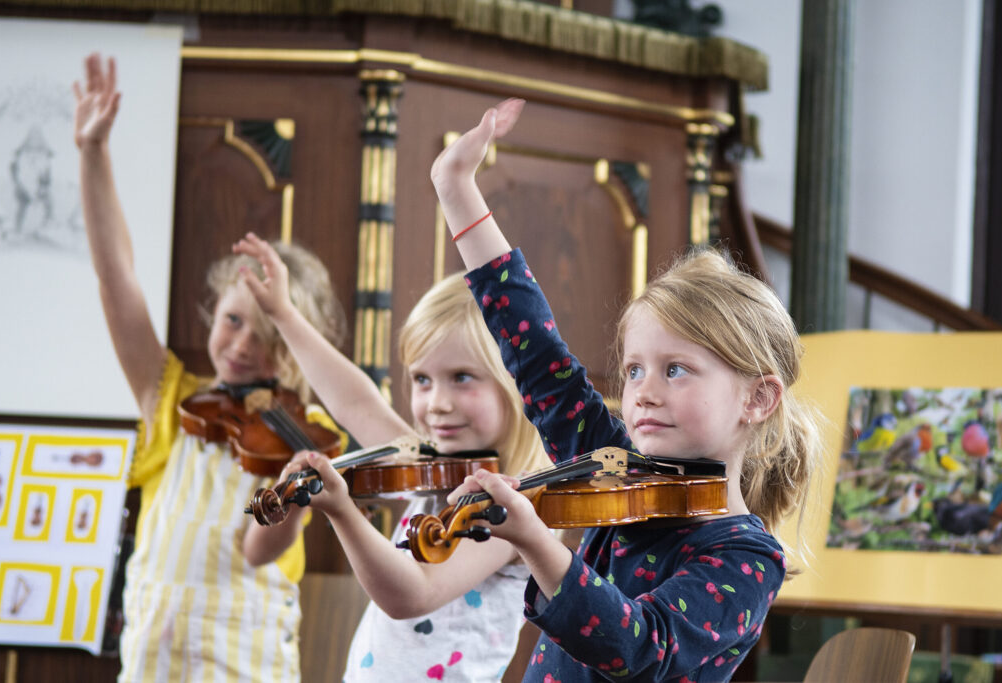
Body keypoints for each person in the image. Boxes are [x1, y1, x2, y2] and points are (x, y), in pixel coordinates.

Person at [430, 98, 825, 682]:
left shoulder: (744, 557)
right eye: (635, 369)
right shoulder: (614, 473)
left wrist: (539, 543)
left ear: (757, 399)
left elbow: (640, 648)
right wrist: (456, 187)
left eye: (677, 370)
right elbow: (537, 353)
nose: (643, 390)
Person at [74, 53, 347, 681]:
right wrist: (93, 154)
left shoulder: (301, 432)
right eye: (232, 320)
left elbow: (259, 552)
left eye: (268, 330)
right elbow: (117, 278)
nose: (244, 344)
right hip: (155, 658)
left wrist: (296, 494)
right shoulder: (173, 400)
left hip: (241, 662)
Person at [233, 232, 557, 682]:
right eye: (422, 380)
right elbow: (355, 404)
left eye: (461, 377)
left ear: (516, 383)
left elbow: (413, 593)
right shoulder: (434, 470)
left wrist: (344, 513)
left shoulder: (513, 511)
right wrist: (284, 315)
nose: (436, 403)